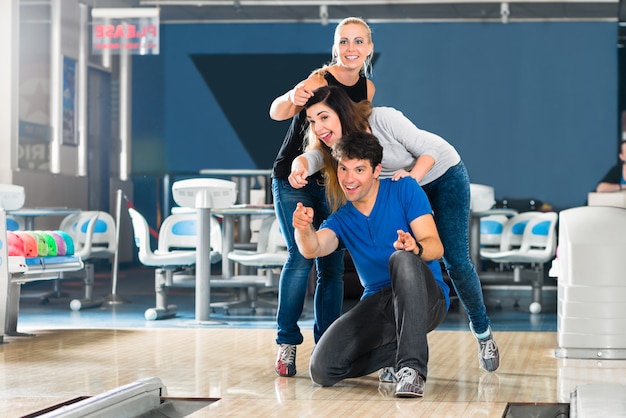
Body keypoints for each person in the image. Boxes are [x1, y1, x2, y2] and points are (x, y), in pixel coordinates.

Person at [290, 85, 500, 373]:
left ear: (340, 112)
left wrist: (411, 179)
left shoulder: (382, 119)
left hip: (442, 173)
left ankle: (482, 331)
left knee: (455, 259)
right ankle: (391, 351)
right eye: (312, 121)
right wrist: (298, 166)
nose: (318, 127)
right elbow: (314, 158)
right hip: (406, 187)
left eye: (323, 117)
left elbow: (429, 150)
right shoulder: (338, 148)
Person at [293, 131, 449, 398]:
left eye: (359, 169)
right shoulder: (341, 218)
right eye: (343, 168)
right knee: (322, 369)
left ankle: (411, 369)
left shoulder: (404, 189)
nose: (349, 178)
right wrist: (303, 229)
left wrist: (415, 247)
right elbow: (314, 248)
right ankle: (403, 348)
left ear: (377, 170)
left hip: (426, 297)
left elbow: (435, 246)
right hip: (379, 302)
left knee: (401, 259)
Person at [268, 17, 376, 378]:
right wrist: (290, 97)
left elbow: (356, 140)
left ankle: (328, 345)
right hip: (293, 177)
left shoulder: (367, 89)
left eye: (358, 41)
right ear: (335, 47)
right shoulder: (318, 80)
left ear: (368, 48)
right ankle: (286, 345)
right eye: (344, 41)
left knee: (331, 267)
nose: (350, 48)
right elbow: (277, 112)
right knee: (301, 257)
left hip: (331, 180)